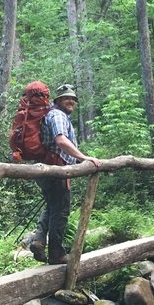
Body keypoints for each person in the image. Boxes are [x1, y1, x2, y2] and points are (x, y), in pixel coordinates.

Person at [29, 84, 101, 265]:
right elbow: (60, 140)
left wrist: (78, 161)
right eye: (66, 98)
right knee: (60, 211)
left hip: (47, 169)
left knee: (52, 206)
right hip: (56, 170)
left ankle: (38, 240)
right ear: (58, 100)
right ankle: (56, 254)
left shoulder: (51, 114)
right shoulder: (58, 115)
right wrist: (84, 157)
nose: (71, 101)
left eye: (73, 99)